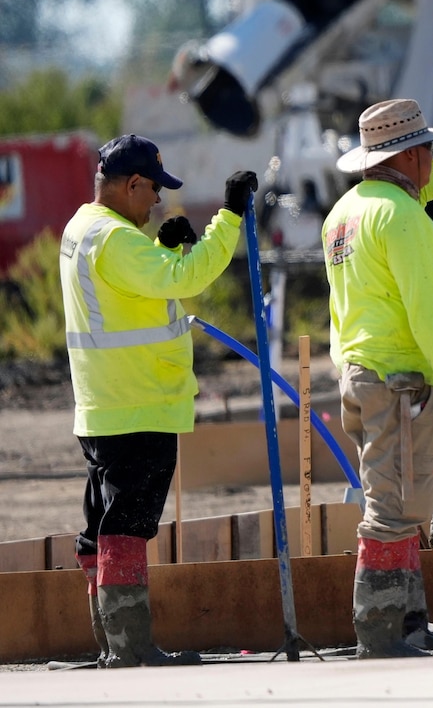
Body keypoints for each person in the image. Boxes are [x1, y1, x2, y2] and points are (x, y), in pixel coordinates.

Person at [60, 134, 256, 667]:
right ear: (132, 185)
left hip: (104, 405)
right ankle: (131, 647)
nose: (158, 204)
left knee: (102, 521)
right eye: (153, 193)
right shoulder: (117, 240)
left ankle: (110, 644)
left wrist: (162, 248)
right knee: (128, 523)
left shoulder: (84, 227)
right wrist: (230, 217)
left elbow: (130, 294)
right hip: (137, 403)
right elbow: (187, 279)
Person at [324, 98, 433, 659]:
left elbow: (356, 310)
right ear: (414, 157)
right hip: (400, 381)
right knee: (394, 508)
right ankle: (381, 632)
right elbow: (428, 311)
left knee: (405, 502)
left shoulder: (344, 213)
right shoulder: (403, 217)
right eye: (432, 156)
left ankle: (411, 625)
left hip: (363, 374)